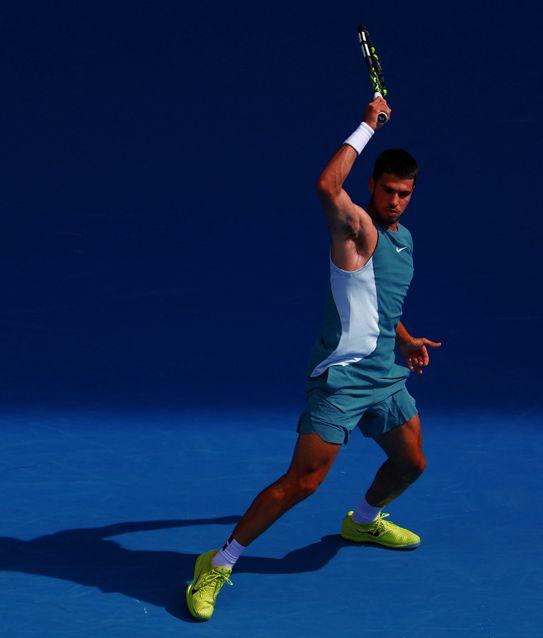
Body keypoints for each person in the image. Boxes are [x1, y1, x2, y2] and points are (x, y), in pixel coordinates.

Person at [185, 94, 443, 621]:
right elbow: (326, 186)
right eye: (388, 191)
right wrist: (368, 125)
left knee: (411, 461)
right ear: (372, 186)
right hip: (343, 381)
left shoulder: (405, 241)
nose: (395, 202)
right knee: (303, 481)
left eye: (405, 194)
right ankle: (218, 561)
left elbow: (381, 307)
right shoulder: (356, 230)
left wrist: (407, 341)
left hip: (387, 377)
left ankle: (363, 519)